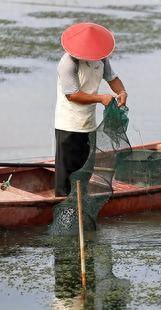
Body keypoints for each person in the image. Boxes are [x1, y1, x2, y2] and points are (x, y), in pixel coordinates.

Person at [54, 23, 127, 197]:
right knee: (66, 173)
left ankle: (81, 199)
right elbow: (72, 95)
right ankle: (63, 203)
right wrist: (101, 98)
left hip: (89, 122)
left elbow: (112, 77)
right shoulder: (68, 62)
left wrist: (121, 91)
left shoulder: (101, 58)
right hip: (68, 124)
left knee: (85, 167)